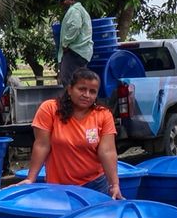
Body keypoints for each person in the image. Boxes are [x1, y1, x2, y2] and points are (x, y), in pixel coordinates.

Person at [21, 67, 121, 198]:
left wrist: (114, 185)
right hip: (59, 187)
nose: (86, 95)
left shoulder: (103, 115)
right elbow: (42, 145)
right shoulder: (50, 109)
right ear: (69, 89)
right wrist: (30, 179)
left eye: (92, 91)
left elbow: (107, 152)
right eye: (82, 89)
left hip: (95, 185)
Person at [54, 0, 93, 81]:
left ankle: (70, 92)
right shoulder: (80, 10)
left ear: (71, 0)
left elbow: (75, 26)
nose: (60, 3)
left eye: (62, 0)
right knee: (79, 80)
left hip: (75, 50)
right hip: (82, 51)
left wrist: (65, 43)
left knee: (67, 79)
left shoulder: (74, 10)